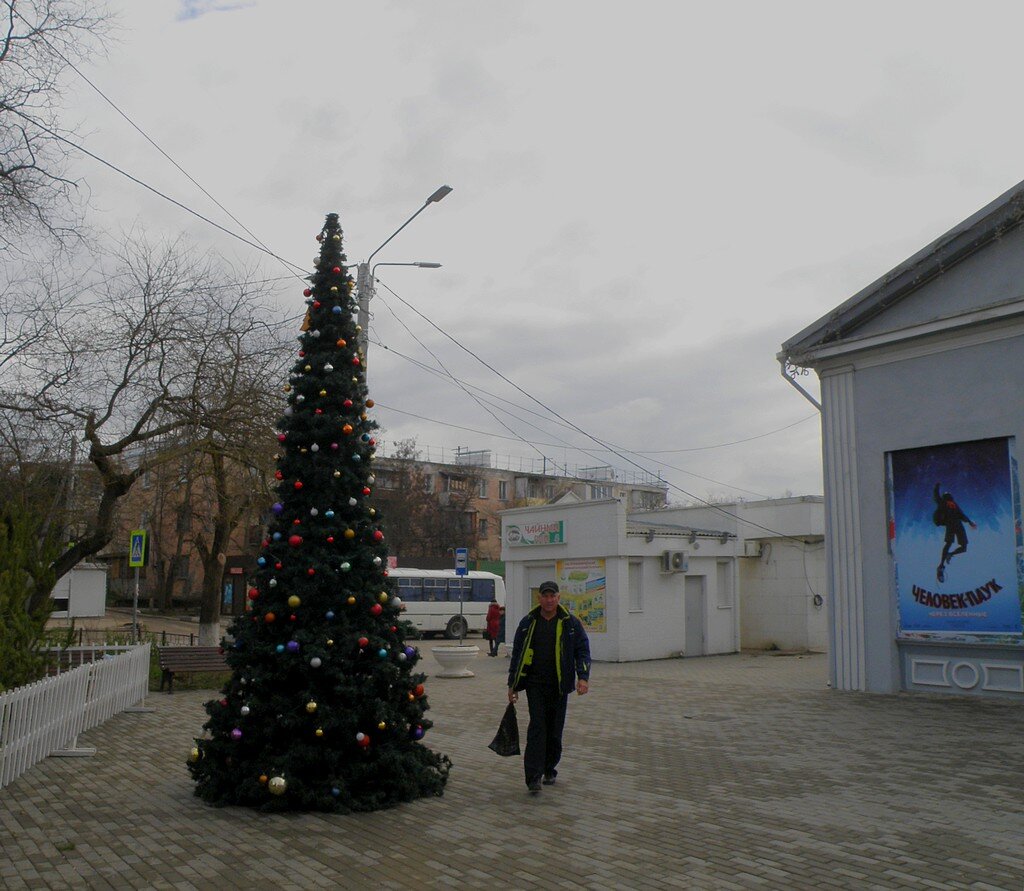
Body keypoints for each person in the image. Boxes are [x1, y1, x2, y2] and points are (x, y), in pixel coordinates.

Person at [507, 580, 591, 794]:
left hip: (560, 686)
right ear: (539, 598)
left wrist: (583, 677)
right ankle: (533, 777)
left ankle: (549, 768)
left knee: (554, 731)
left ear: (558, 598)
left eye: (552, 596)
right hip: (535, 685)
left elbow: (582, 650)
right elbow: (517, 654)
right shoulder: (528, 623)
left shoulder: (570, 623)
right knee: (537, 728)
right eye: (545, 596)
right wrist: (512, 685)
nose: (549, 599)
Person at [933, 483, 977, 583]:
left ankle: (949, 555)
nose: (949, 499)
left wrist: (970, 522)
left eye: (950, 497)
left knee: (964, 547)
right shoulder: (943, 503)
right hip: (951, 525)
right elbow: (936, 496)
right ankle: (941, 566)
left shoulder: (954, 505)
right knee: (949, 543)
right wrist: (937, 487)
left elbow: (961, 514)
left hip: (958, 525)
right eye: (947, 497)